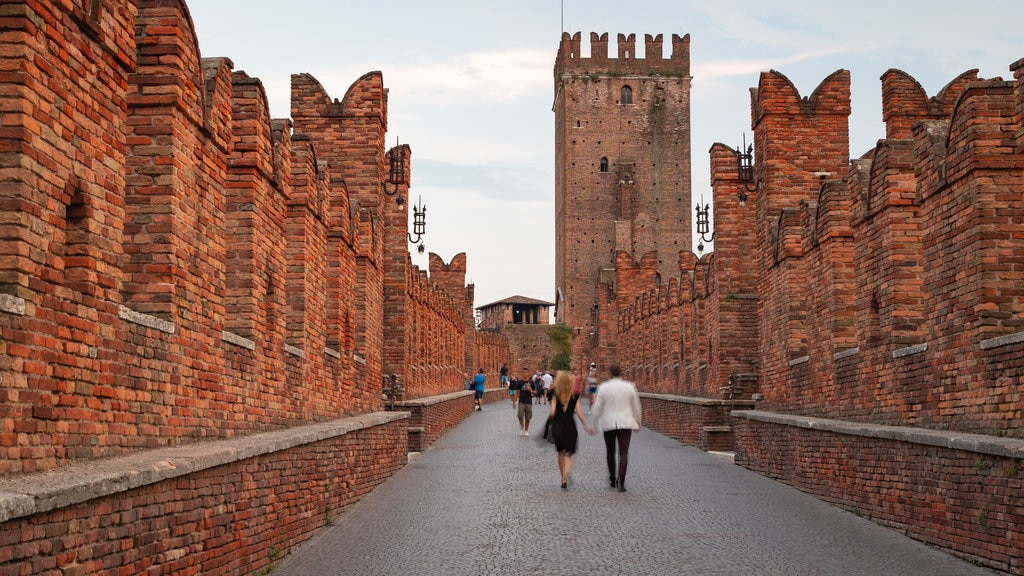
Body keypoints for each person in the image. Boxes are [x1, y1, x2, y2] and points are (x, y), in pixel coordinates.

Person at [589, 364, 641, 492]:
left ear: (609, 373)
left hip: (609, 423)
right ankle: (621, 483)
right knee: (623, 453)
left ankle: (612, 478)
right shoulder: (630, 387)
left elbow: (597, 407)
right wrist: (638, 422)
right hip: (626, 422)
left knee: (610, 452)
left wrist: (593, 423)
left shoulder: (604, 388)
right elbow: (636, 406)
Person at [548, 371, 593, 489]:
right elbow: (579, 412)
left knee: (561, 452)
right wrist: (586, 426)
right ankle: (567, 472)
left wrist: (552, 419)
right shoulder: (575, 396)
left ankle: (562, 477)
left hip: (558, 425)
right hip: (570, 425)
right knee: (571, 451)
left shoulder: (555, 395)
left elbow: (552, 412)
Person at [514, 370, 534, 436]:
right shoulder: (519, 382)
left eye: (526, 372)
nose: (525, 373)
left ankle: (526, 430)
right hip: (521, 401)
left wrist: (530, 390)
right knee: (520, 416)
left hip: (529, 402)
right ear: (522, 373)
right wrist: (514, 402)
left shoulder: (531, 382)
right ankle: (522, 427)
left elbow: (536, 392)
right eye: (524, 372)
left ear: (528, 373)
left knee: (528, 417)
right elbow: (516, 393)